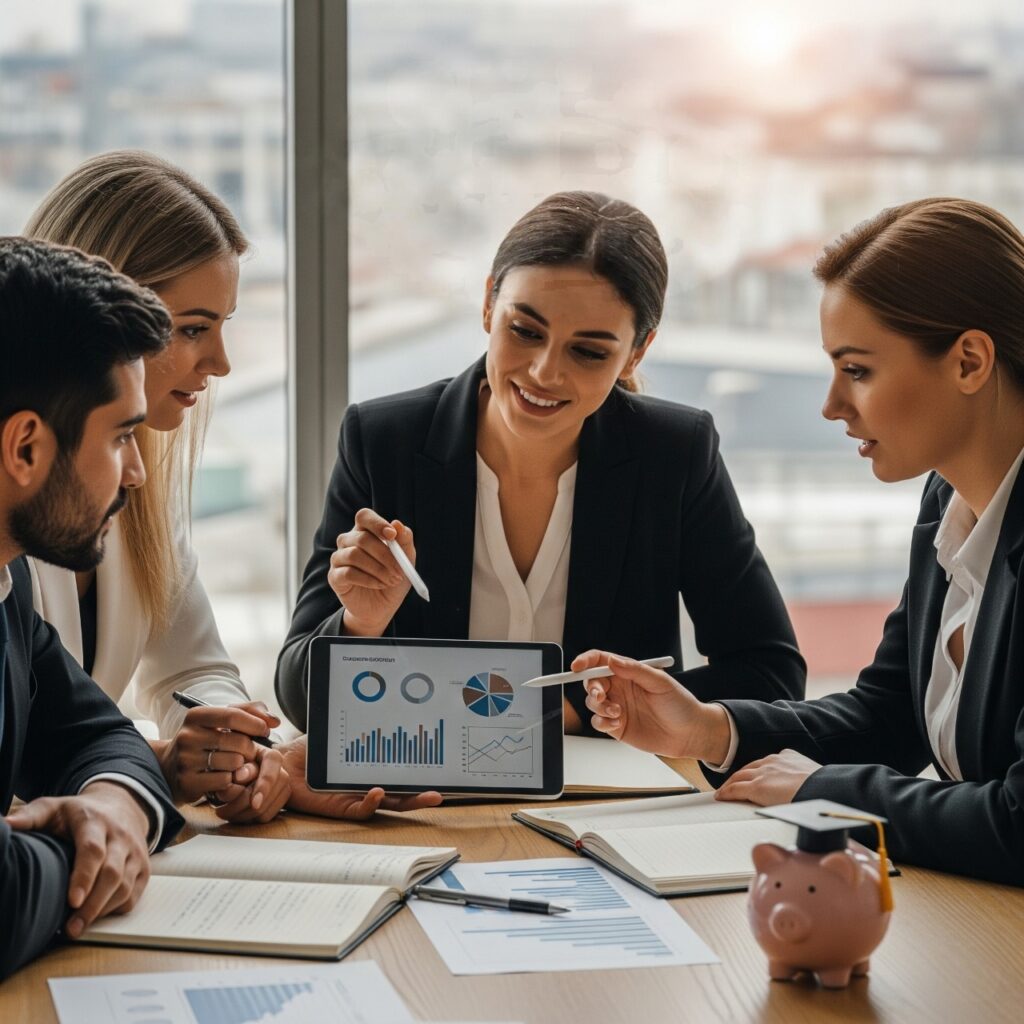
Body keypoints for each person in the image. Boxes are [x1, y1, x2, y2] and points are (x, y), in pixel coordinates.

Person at [581, 197, 1024, 887]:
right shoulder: (952, 502)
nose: (830, 405)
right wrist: (706, 730)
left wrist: (825, 792)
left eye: (858, 370)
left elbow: (1017, 822)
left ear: (969, 362)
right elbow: (888, 717)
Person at [276, 191, 805, 744]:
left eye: (589, 352)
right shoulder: (384, 440)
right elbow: (299, 700)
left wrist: (576, 716)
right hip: (423, 802)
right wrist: (362, 625)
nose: (544, 372)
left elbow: (771, 675)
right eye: (525, 331)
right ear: (488, 304)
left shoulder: (673, 453)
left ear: (637, 352)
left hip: (597, 807)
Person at [26, 150, 411, 822]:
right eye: (193, 329)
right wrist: (161, 758)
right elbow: (29, 740)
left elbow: (189, 668)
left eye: (223, 326)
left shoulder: (143, 475)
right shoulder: (26, 491)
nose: (223, 363)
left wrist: (233, 748)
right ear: (98, 316)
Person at [0, 237, 183, 979]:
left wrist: (109, 810)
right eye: (121, 436)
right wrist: (83, 854)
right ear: (26, 448)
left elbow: (105, 736)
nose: (136, 472)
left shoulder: (6, 590)